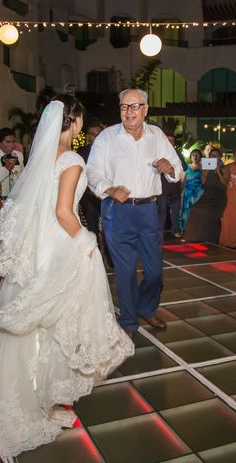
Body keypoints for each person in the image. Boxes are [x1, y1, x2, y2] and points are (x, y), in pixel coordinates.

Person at [0, 95, 133, 459]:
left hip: (38, 245)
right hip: (61, 244)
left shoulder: (40, 158)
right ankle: (47, 399)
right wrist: (87, 243)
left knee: (38, 322)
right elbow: (65, 212)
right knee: (59, 321)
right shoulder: (70, 160)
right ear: (76, 121)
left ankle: (37, 396)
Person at [87, 88, 182, 335]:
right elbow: (92, 172)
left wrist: (169, 168)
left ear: (145, 109)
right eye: (124, 107)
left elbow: (178, 170)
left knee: (155, 272)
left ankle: (146, 308)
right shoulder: (107, 137)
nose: (129, 112)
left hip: (149, 210)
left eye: (134, 106)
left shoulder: (157, 136)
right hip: (117, 211)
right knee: (126, 271)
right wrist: (109, 188)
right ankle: (129, 320)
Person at [183, 148, 227, 243]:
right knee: (194, 208)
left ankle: (212, 237)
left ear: (220, 157)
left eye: (216, 155)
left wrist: (218, 172)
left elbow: (225, 184)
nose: (214, 157)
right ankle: (195, 237)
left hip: (219, 198)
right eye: (212, 155)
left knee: (208, 213)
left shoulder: (224, 169)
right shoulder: (206, 167)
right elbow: (203, 183)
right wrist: (205, 173)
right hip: (207, 196)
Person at [77, 121, 104, 238]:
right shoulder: (82, 152)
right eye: (92, 134)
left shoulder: (109, 151)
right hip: (89, 196)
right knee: (92, 229)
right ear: (88, 136)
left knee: (109, 230)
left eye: (98, 134)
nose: (95, 137)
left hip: (106, 195)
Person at [157, 134, 184, 237]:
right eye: (167, 140)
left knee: (176, 209)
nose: (169, 142)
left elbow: (184, 167)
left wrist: (174, 168)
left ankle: (175, 230)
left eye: (171, 141)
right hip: (163, 186)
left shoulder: (178, 154)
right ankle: (161, 231)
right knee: (162, 210)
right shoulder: (159, 153)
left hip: (175, 186)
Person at [0, 127, 24, 200]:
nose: (11, 145)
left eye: (13, 141)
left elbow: (23, 176)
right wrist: (6, 169)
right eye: (8, 142)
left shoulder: (18, 155)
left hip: (17, 199)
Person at [179, 149, 204, 233]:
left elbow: (205, 180)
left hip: (199, 193)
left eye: (197, 155)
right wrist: (181, 192)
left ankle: (197, 230)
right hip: (188, 192)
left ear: (200, 157)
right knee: (186, 211)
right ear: (191, 157)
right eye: (193, 155)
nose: (195, 157)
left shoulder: (204, 167)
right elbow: (183, 181)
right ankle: (186, 230)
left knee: (198, 212)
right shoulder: (187, 167)